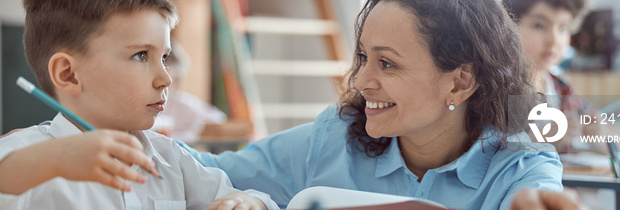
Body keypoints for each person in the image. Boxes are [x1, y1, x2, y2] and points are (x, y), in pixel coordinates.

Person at [182, 0, 583, 209]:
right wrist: (122, 140)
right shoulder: (333, 139)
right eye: (363, 58)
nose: (360, 81)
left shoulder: (520, 164)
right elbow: (199, 172)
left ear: (460, 81)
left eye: (387, 63)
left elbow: (536, 194)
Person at [0, 0, 276, 209]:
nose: (165, 79)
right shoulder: (25, 152)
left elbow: (249, 197)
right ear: (68, 74)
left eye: (165, 57)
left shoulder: (171, 159)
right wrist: (53, 159)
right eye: (141, 56)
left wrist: (249, 203)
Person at [502, 0, 620, 153]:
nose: (553, 40)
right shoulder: (496, 87)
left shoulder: (561, 88)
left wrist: (601, 134)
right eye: (539, 26)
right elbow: (482, 155)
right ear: (510, 25)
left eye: (563, 28)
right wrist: (538, 139)